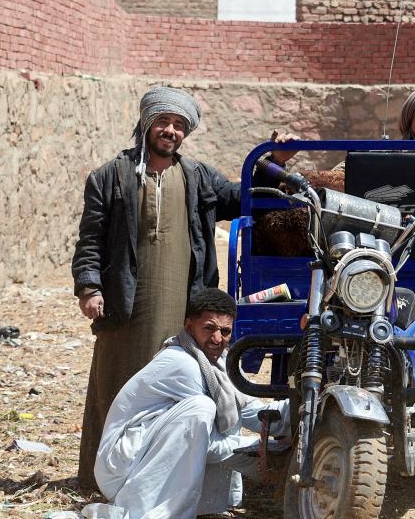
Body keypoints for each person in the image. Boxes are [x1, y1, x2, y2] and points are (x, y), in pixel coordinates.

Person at [71, 86, 293, 491]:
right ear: (146, 123)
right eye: (163, 122)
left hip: (183, 305)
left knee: (180, 389)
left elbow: (244, 198)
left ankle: (165, 480)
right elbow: (90, 240)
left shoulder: (198, 177)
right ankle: (100, 480)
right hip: (125, 305)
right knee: (117, 388)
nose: (170, 130)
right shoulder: (110, 176)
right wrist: (89, 287)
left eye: (178, 125)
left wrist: (271, 163)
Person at [81, 288, 290, 519]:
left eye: (225, 331)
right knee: (202, 409)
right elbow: (205, 442)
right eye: (209, 328)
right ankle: (152, 514)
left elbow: (256, 414)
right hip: (121, 470)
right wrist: (268, 452)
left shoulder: (221, 362)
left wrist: (302, 410)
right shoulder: (182, 363)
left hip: (146, 454)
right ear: (189, 326)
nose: (217, 339)